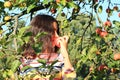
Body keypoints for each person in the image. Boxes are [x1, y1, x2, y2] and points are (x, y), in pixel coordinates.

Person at [18, 14, 76, 80]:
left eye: (57, 32)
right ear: (42, 34)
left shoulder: (60, 59)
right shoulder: (24, 60)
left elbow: (71, 78)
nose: (57, 36)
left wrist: (64, 51)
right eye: (52, 32)